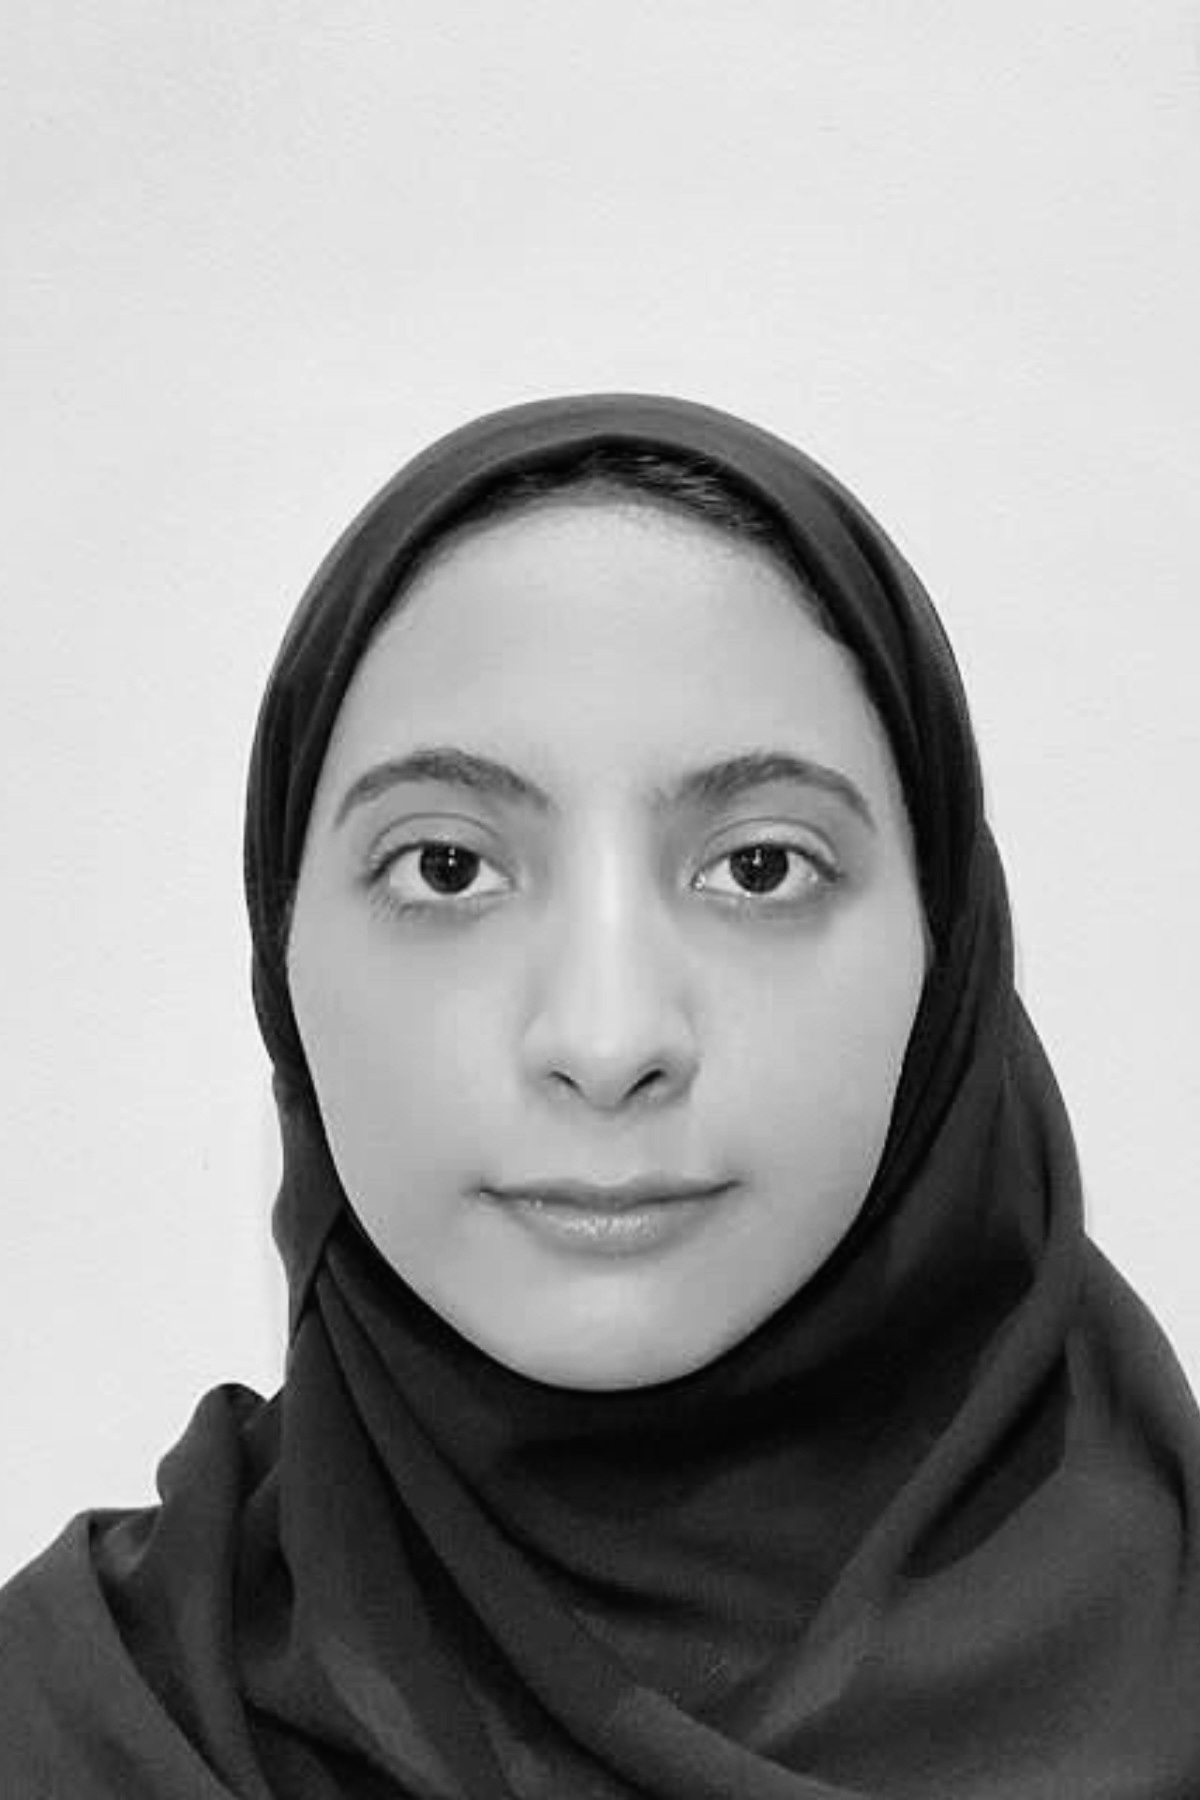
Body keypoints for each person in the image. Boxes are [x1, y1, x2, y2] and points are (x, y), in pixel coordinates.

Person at [2, 393, 1198, 1797]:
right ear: (285, 959)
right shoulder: (75, 1731)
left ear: (947, 959)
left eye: (761, 867)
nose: (609, 1037)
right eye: (448, 868)